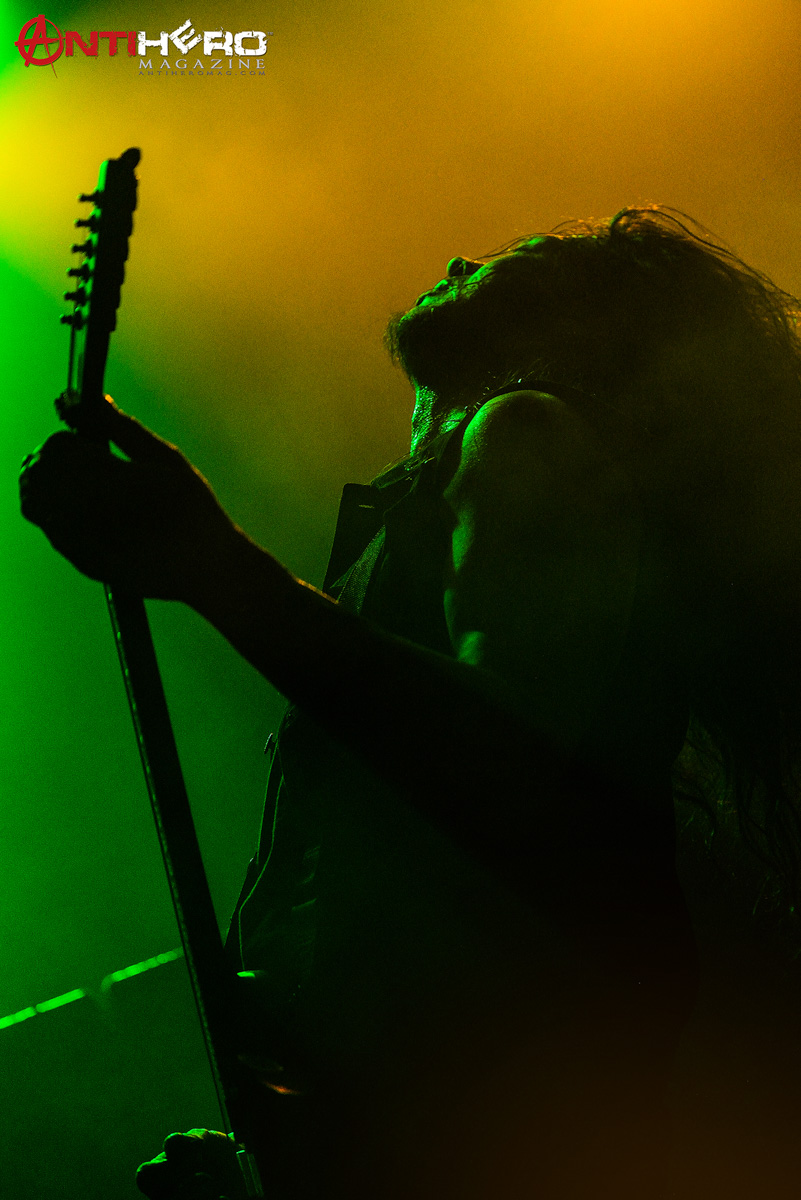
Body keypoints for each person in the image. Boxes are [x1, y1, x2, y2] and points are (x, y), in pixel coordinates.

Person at [19, 208, 801, 1199]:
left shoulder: (527, 427)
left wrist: (211, 565)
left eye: (516, 261)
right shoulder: (448, 489)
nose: (459, 256)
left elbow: (510, 770)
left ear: (583, 322)